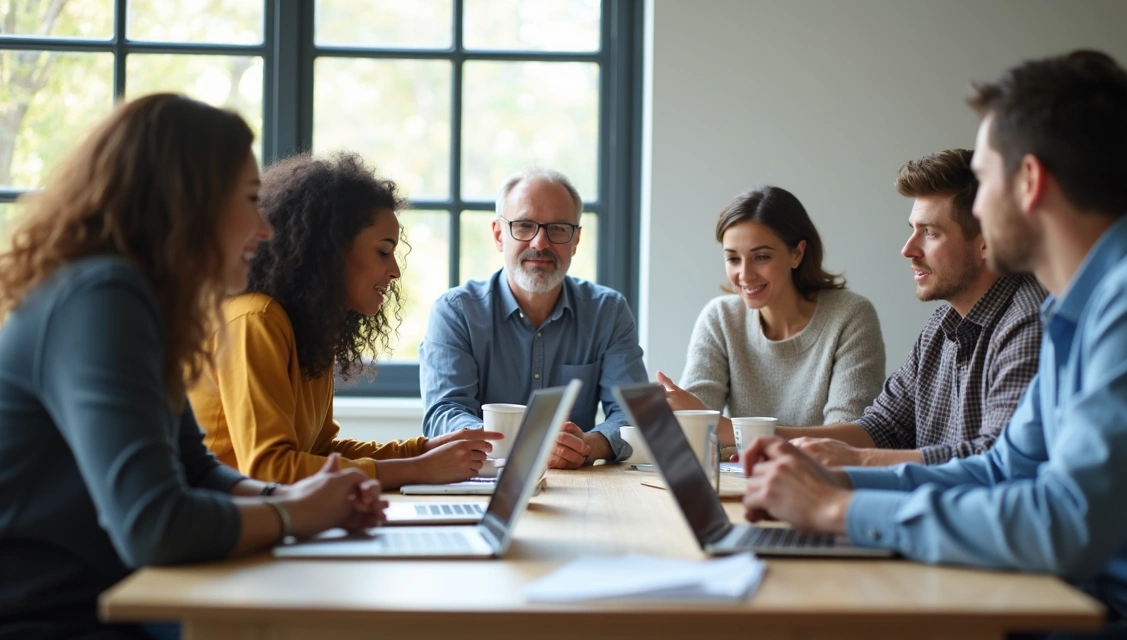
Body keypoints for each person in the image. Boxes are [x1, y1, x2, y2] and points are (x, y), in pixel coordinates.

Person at [742, 50, 1127, 639]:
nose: (980, 206)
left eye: (985, 180)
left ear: (1030, 182)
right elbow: (1005, 469)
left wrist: (838, 511)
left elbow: (1065, 523)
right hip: (1080, 604)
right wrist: (838, 482)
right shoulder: (1081, 307)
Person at [0, 94, 384, 639]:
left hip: (113, 597)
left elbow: (194, 468)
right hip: (54, 618)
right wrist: (296, 516)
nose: (267, 228)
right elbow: (154, 525)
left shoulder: (140, 303)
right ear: (186, 202)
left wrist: (294, 497)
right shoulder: (102, 296)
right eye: (250, 200)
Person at [188, 152, 500, 488]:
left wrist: (420, 451)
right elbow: (268, 469)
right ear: (329, 250)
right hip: (227, 527)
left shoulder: (308, 330)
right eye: (383, 251)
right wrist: (419, 469)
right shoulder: (255, 320)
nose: (394, 271)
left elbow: (321, 452)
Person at [785, 150, 1046, 467]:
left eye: (930, 233)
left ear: (987, 242)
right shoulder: (942, 325)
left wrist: (857, 460)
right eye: (912, 228)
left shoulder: (1030, 322)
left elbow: (997, 460)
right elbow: (882, 427)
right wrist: (777, 444)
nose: (908, 250)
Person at [420, 166, 648, 468]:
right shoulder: (455, 312)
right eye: (525, 226)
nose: (540, 243)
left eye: (557, 228)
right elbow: (444, 413)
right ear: (499, 235)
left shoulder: (608, 312)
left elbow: (632, 415)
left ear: (576, 240)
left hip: (578, 486)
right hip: (482, 479)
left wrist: (587, 446)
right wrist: (522, 441)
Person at [656, 186, 885, 449]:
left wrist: (731, 432)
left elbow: (849, 441)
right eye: (733, 259)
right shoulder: (720, 318)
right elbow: (698, 432)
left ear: (797, 254)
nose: (745, 274)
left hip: (818, 484)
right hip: (742, 481)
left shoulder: (850, 316)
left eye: (761, 257)